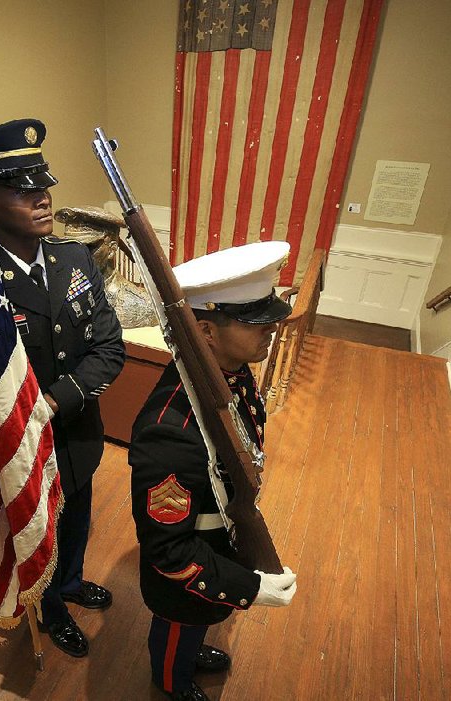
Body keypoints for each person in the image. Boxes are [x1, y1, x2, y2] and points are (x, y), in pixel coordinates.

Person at [0, 119, 126, 658]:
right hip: (22, 443)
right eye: (22, 188)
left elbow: (110, 348)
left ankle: (73, 580)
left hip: (75, 428)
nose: (42, 198)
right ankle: (50, 604)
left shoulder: (74, 259)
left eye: (43, 185)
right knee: (39, 526)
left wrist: (57, 399)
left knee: (78, 511)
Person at [129, 241, 299, 701]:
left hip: (221, 535)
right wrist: (248, 587)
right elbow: (169, 551)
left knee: (199, 622)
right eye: (255, 320)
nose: (273, 328)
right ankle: (171, 681)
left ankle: (189, 652)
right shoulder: (171, 432)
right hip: (190, 565)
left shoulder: (232, 372)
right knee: (180, 623)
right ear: (205, 330)